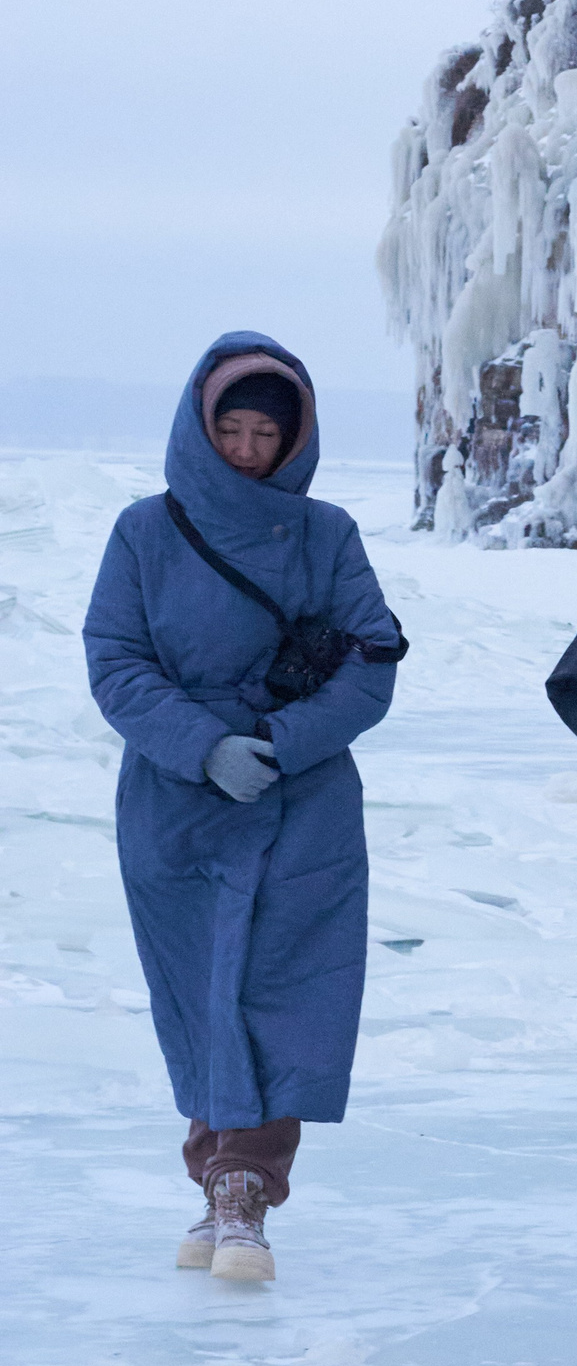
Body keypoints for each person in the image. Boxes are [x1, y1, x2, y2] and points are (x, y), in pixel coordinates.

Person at [82, 334, 405, 1283]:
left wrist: (281, 740)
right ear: (201, 425)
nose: (249, 449)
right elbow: (115, 660)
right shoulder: (145, 533)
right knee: (200, 988)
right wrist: (202, 747)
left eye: (269, 432)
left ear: (295, 438)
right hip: (175, 796)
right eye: (232, 428)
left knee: (284, 990)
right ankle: (220, 1181)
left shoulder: (327, 533)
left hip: (302, 797)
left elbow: (373, 664)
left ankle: (242, 1191)